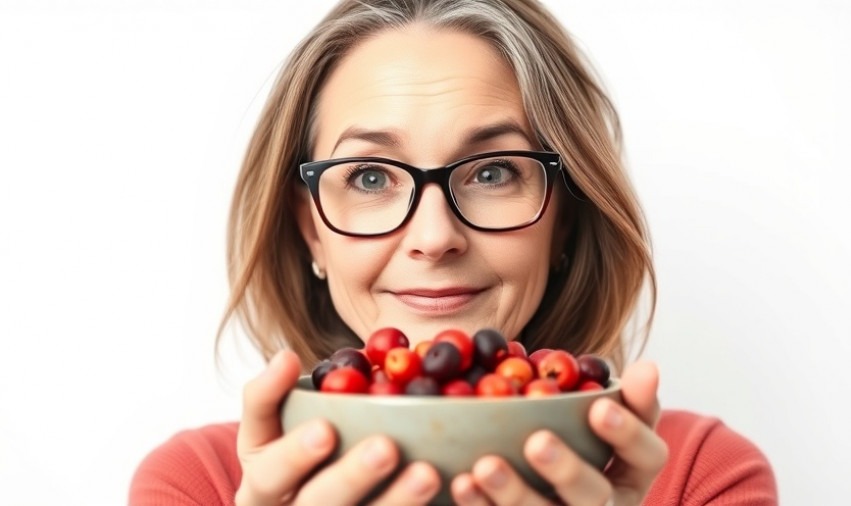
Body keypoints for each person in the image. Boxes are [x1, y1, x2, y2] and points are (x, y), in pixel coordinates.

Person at [130, 0, 778, 504]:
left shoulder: (701, 476)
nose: (435, 237)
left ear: (564, 217)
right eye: (370, 177)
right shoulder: (200, 486)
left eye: (493, 172)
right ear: (310, 231)